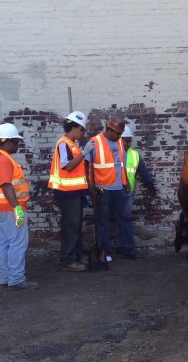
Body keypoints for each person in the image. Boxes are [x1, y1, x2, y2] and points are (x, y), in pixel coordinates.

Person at [0, 122, 37, 289]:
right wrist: (17, 208)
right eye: (16, 142)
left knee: (5, 241)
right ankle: (16, 279)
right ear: (7, 141)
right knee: (17, 242)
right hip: (9, 209)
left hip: (0, 208)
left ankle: (5, 276)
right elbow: (6, 185)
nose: (17, 145)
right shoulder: (2, 160)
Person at [47, 111, 90, 272]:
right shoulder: (64, 144)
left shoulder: (71, 144)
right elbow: (68, 166)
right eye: (81, 130)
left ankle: (77, 255)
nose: (83, 133)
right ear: (73, 128)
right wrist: (85, 153)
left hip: (75, 191)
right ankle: (68, 259)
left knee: (76, 225)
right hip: (67, 192)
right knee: (71, 226)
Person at [82, 117, 129, 262]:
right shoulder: (94, 142)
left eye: (121, 134)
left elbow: (121, 164)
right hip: (102, 189)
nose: (119, 137)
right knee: (103, 222)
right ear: (109, 130)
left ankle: (128, 250)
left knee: (123, 219)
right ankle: (106, 253)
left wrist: (125, 181)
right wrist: (89, 186)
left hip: (118, 187)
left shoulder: (119, 142)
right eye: (117, 134)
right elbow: (84, 164)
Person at [115, 122, 156, 259]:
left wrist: (149, 184)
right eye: (125, 141)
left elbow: (142, 170)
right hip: (113, 192)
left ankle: (124, 247)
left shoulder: (134, 155)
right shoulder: (112, 153)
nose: (127, 144)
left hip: (127, 193)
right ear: (119, 139)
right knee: (117, 220)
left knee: (124, 219)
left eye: (129, 141)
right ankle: (122, 246)